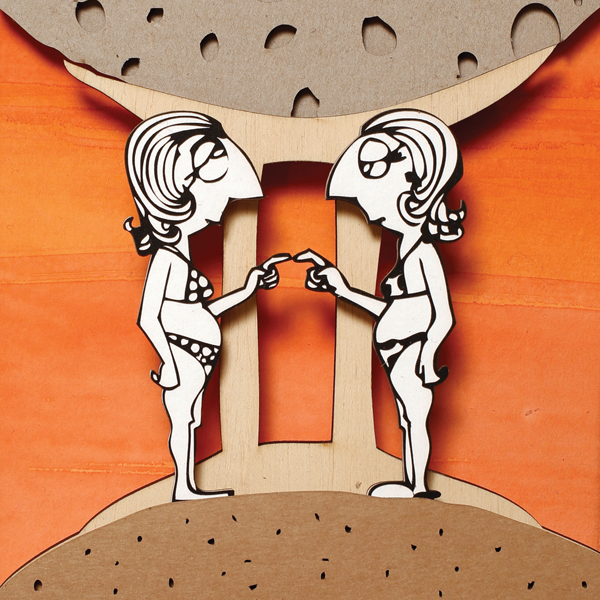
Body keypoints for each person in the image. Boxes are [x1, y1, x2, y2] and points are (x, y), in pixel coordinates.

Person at [296, 109, 465, 498]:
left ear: (413, 188)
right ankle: (413, 482)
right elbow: (392, 311)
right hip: (396, 347)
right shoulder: (406, 247)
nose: (369, 211)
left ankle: (418, 486)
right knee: (408, 418)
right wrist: (343, 289)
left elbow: (443, 314)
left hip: (411, 350)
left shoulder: (422, 252)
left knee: (415, 416)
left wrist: (427, 355)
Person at [125, 111, 289, 501]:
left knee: (190, 420)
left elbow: (204, 311)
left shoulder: (182, 255)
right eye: (216, 194)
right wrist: (169, 361)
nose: (222, 207)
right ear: (179, 192)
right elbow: (149, 317)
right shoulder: (167, 257)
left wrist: (247, 289)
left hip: (196, 352)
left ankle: (188, 484)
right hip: (183, 354)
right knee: (183, 420)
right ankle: (183, 487)